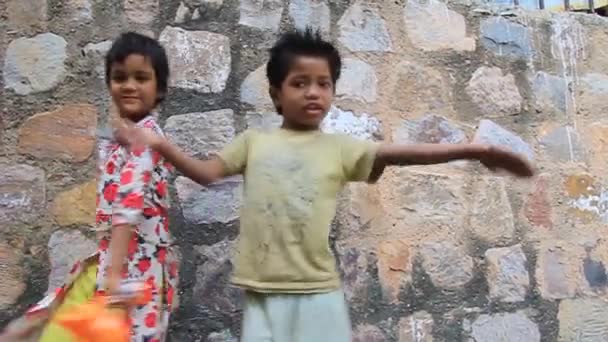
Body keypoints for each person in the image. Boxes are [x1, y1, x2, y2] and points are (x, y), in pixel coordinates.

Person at [116, 28, 534, 342]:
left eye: (324, 84)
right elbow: (205, 173)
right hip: (263, 295)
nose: (314, 93)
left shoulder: (338, 148)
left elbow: (398, 153)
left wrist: (470, 149)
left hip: (317, 293)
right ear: (277, 94)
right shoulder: (254, 142)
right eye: (300, 83)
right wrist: (160, 143)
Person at [30, 32, 179, 342]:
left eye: (141, 77)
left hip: (134, 273)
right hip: (123, 267)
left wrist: (112, 277)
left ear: (160, 89)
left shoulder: (146, 138)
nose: (129, 85)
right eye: (120, 77)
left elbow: (130, 202)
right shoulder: (119, 140)